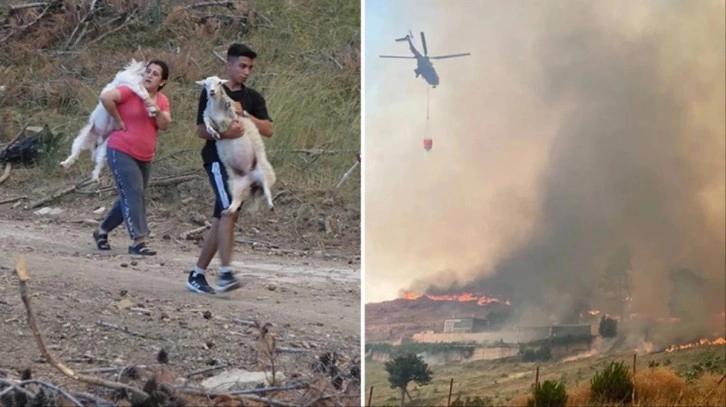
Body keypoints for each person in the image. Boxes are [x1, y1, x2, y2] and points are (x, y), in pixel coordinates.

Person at [186, 43, 274, 294]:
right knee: (228, 211)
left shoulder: (253, 97)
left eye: (250, 67)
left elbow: (268, 129)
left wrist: (244, 113)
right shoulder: (212, 90)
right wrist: (224, 133)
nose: (246, 71)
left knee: (222, 217)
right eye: (242, 66)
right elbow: (200, 130)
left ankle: (197, 274)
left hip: (243, 166)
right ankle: (225, 273)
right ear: (228, 65)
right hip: (217, 160)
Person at [92, 60, 172, 256]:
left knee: (130, 196)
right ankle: (138, 241)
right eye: (148, 71)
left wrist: (156, 109)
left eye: (155, 74)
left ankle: (101, 231)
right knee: (134, 194)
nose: (149, 75)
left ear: (162, 82)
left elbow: (165, 124)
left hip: (145, 156)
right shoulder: (131, 91)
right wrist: (119, 121)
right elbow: (106, 97)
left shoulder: (161, 100)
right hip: (121, 150)